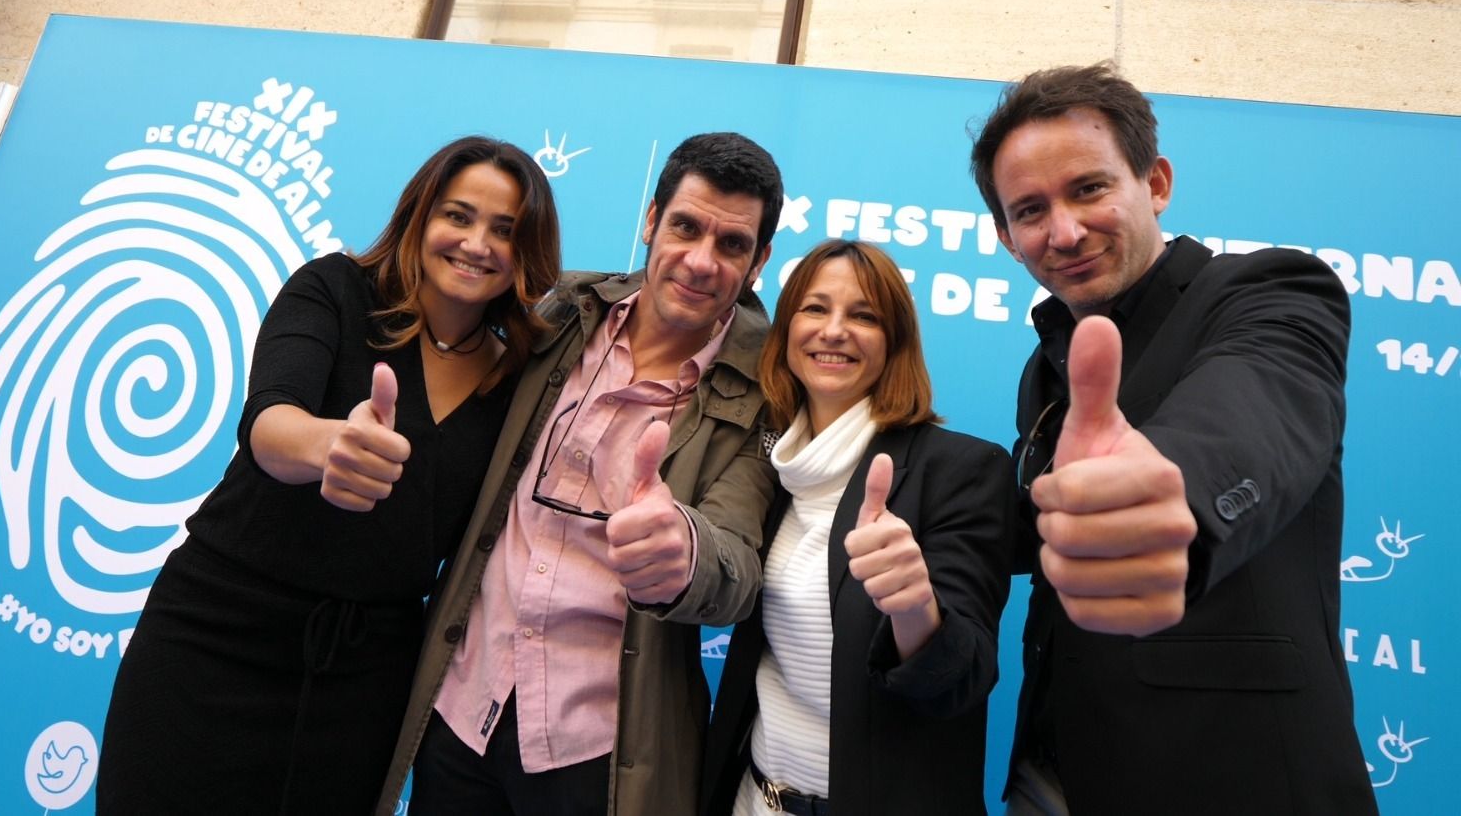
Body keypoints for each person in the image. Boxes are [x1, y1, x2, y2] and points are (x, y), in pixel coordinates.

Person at [97, 136, 562, 815]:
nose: (476, 243)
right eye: (458, 216)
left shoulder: (521, 379)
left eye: (505, 230)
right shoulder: (334, 289)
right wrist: (328, 446)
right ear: (419, 217)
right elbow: (268, 421)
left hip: (364, 679)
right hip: (214, 637)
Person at [970, 63, 1377, 814]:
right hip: (1052, 776)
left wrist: (1170, 493)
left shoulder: (1269, 291)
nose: (1063, 231)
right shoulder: (1045, 365)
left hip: (1233, 784)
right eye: (1030, 210)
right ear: (1005, 236)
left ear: (1154, 184)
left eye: (1088, 189)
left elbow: (1249, 411)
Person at [380, 132, 784, 816]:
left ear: (759, 261)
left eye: (732, 245)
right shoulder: (561, 312)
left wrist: (684, 553)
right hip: (462, 707)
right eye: (685, 227)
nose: (700, 261)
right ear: (651, 220)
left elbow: (737, 567)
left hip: (594, 752)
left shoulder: (765, 388)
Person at [700, 240, 1013, 815]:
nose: (834, 330)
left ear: (894, 341)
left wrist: (916, 609)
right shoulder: (770, 468)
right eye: (815, 309)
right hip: (752, 800)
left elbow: (963, 680)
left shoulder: (962, 470)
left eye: (863, 315)